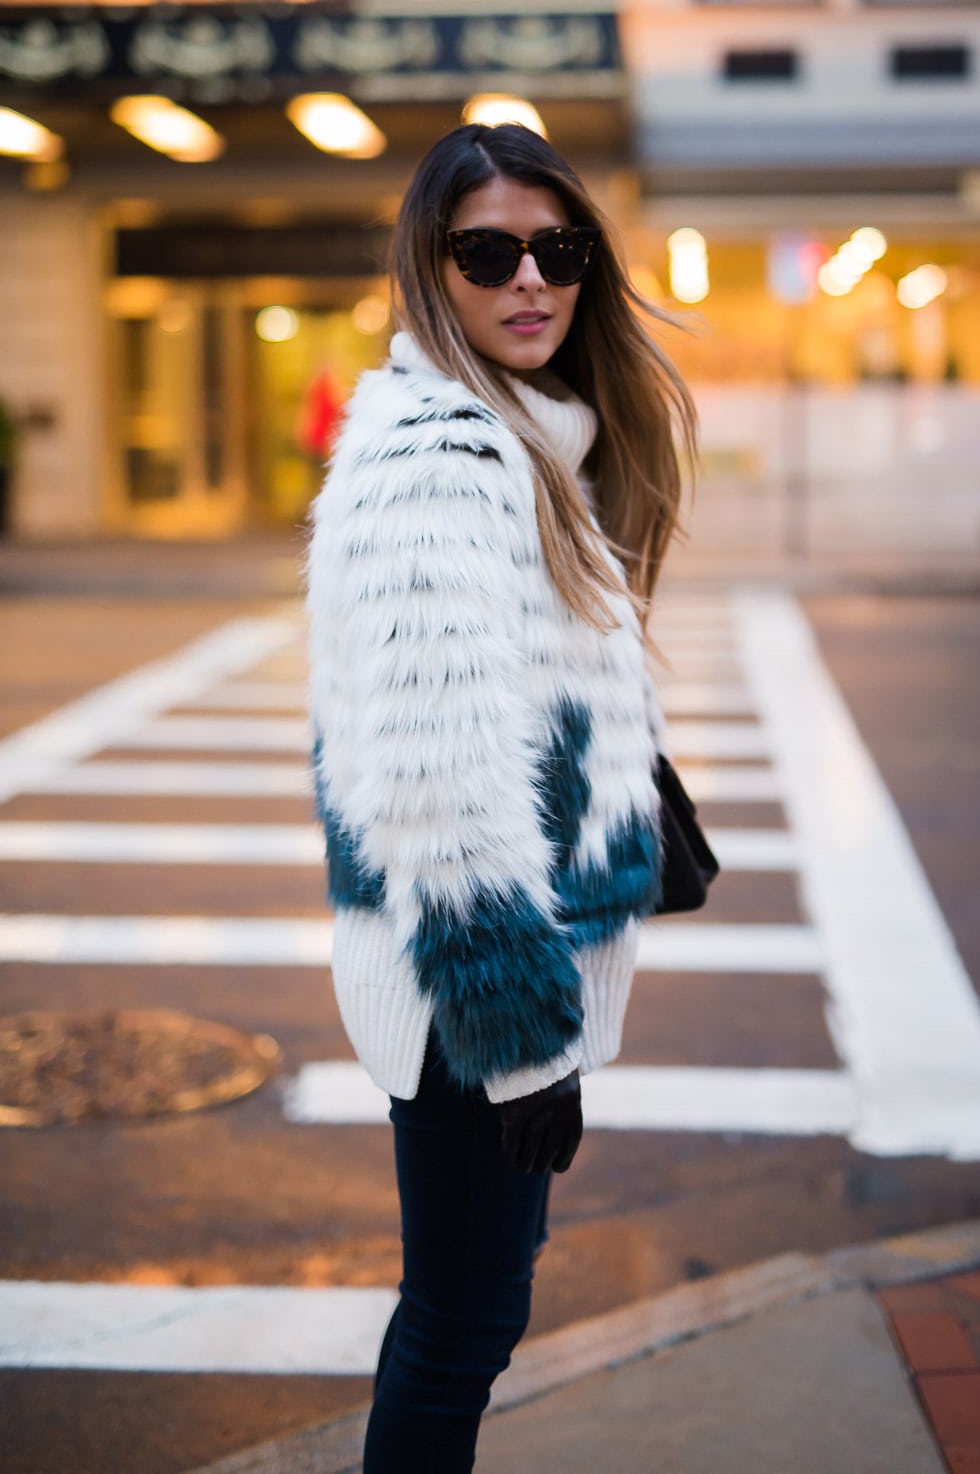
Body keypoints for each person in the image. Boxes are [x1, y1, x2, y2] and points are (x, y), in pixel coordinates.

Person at [305, 121, 699, 1473]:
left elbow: (523, 687)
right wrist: (530, 1050)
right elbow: (439, 788)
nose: (530, 279)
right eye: (489, 252)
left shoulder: (524, 439)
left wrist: (644, 795)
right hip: (475, 996)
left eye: (558, 248)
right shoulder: (442, 456)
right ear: (434, 270)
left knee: (471, 1307)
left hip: (506, 982)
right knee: (464, 1319)